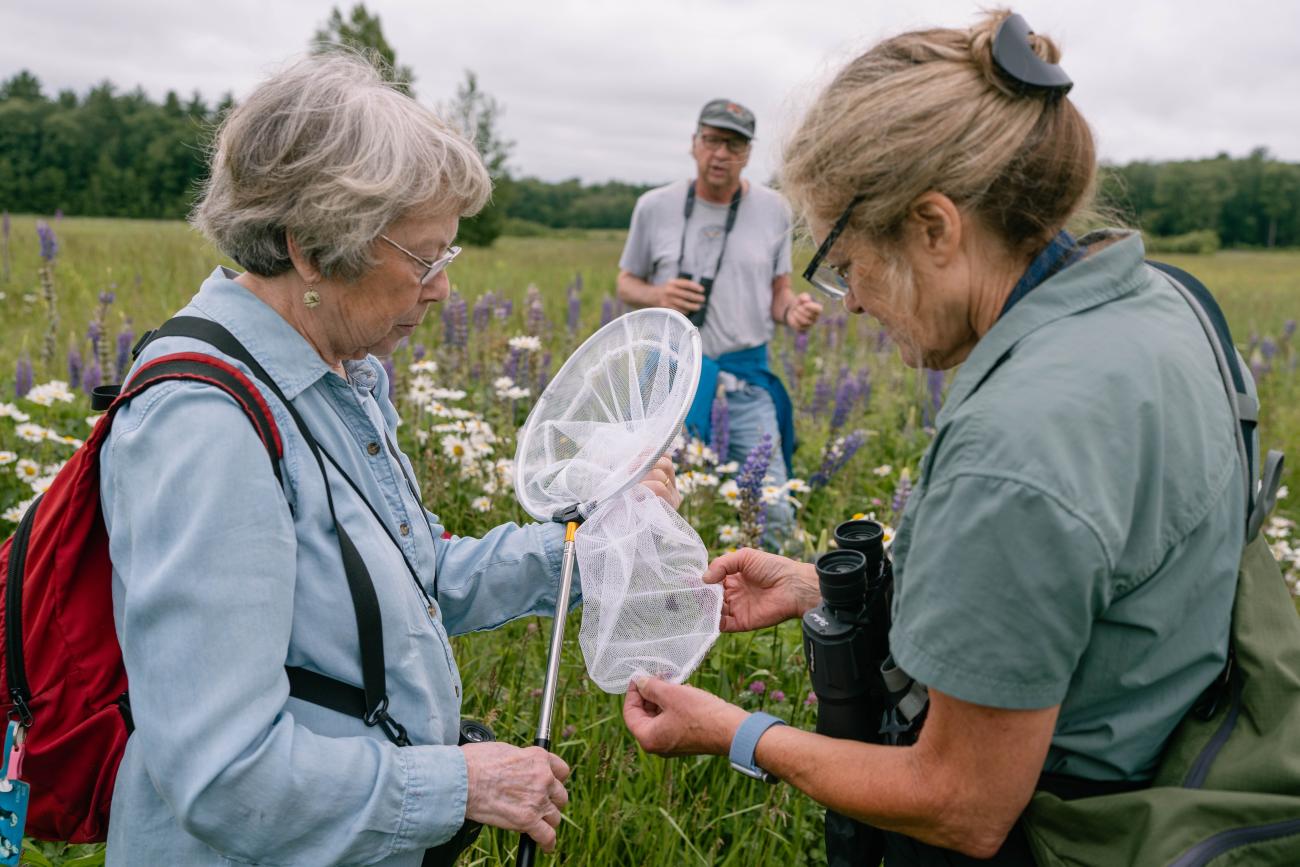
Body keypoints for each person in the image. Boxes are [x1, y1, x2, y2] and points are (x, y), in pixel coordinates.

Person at [623, 11, 1251, 864]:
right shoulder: (1166, 304)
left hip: (1066, 832)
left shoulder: (1016, 443)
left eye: (849, 263)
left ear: (934, 227)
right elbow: (1070, 594)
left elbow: (962, 803)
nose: (859, 301)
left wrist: (737, 731)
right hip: (1181, 779)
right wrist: (824, 590)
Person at [100, 52, 680, 867]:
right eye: (425, 257)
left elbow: (417, 579)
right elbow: (225, 776)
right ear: (311, 249)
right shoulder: (207, 424)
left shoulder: (340, 376)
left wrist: (596, 540)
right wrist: (461, 785)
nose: (442, 287)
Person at [616, 99, 822, 547]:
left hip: (744, 381)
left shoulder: (775, 210)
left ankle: (771, 609)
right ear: (694, 144)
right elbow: (626, 283)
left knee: (775, 511)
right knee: (656, 507)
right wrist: (659, 295)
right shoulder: (654, 206)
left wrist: (793, 311)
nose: (721, 153)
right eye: (712, 140)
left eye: (734, 144)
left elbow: (778, 295)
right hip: (669, 382)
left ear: (748, 153)